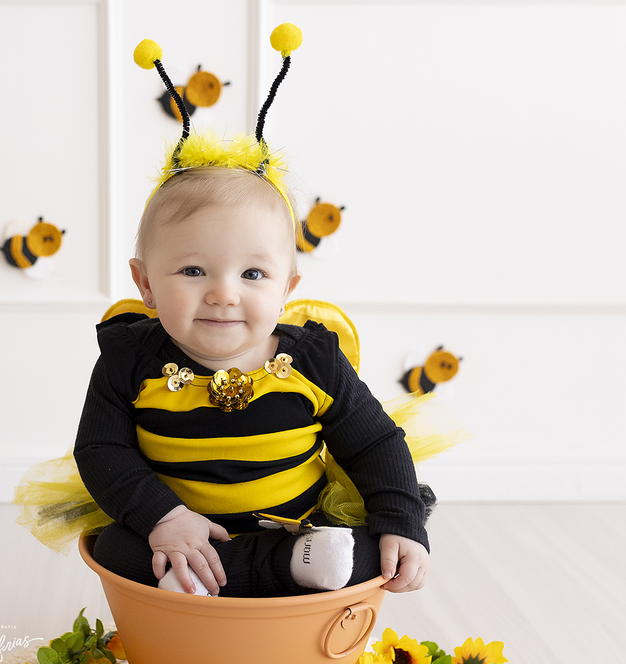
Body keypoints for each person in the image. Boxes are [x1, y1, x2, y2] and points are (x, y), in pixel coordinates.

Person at [74, 163, 431, 598]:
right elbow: (101, 451)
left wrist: (403, 523)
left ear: (286, 289)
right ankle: (268, 573)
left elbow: (374, 443)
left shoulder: (313, 362)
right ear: (145, 283)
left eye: (252, 274)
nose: (224, 294)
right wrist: (164, 518)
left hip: (302, 528)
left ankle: (234, 575)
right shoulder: (128, 359)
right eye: (192, 271)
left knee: (375, 550)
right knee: (113, 549)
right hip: (178, 532)